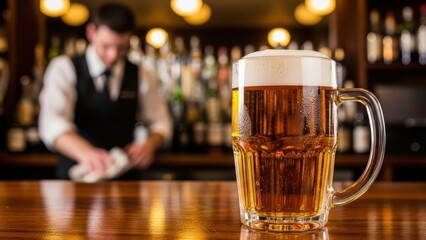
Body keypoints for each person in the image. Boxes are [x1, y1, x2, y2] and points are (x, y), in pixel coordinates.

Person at [39, 3, 172, 180]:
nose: (113, 55)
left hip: (125, 180)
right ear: (91, 32)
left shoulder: (142, 73)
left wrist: (149, 144)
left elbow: (161, 122)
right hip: (76, 179)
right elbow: (51, 122)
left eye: (122, 47)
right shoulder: (65, 68)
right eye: (106, 46)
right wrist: (86, 153)